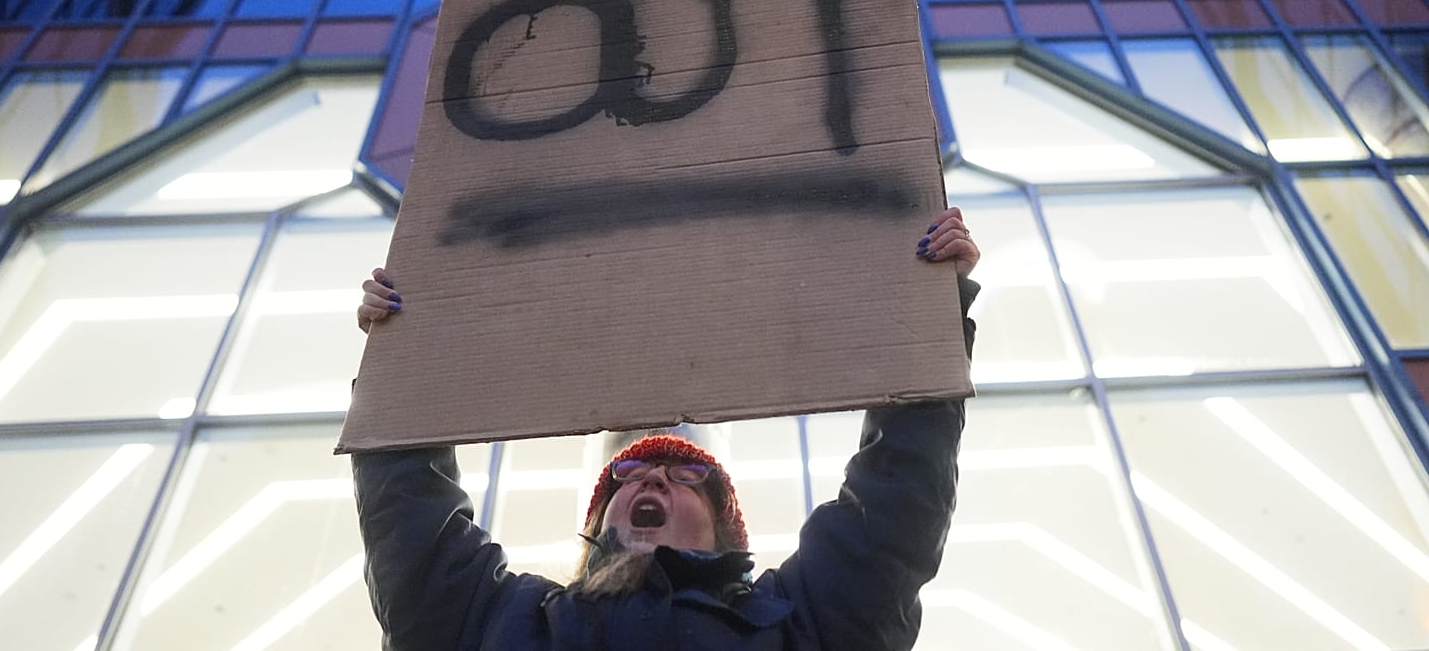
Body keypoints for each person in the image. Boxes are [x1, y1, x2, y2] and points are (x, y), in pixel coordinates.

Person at [352, 206, 981, 650]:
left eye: (687, 477)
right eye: (629, 473)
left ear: (725, 534)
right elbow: (408, 515)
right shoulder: (490, 619)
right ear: (596, 523)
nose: (652, 473)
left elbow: (898, 503)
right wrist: (398, 354)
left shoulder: (803, 622)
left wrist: (934, 310)